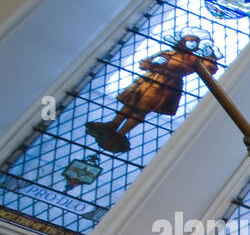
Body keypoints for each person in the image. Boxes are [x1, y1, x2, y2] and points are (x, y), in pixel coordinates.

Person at [86, 33, 219, 153]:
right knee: (131, 104)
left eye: (195, 43)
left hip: (167, 87)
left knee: (142, 110)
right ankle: (113, 124)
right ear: (183, 42)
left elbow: (210, 69)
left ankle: (121, 133)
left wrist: (210, 55)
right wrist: (151, 64)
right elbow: (146, 63)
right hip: (150, 79)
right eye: (189, 41)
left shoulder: (195, 60)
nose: (192, 44)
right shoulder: (168, 53)